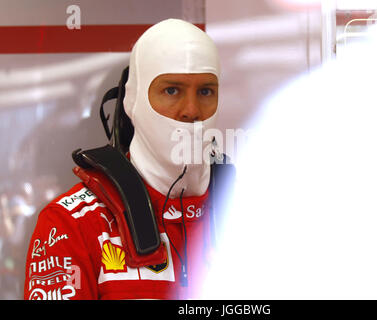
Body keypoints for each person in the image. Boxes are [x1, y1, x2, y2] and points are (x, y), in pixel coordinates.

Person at [23, 18, 232, 300]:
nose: (191, 110)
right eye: (171, 90)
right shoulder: (72, 224)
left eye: (205, 91)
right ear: (132, 100)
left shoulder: (257, 213)